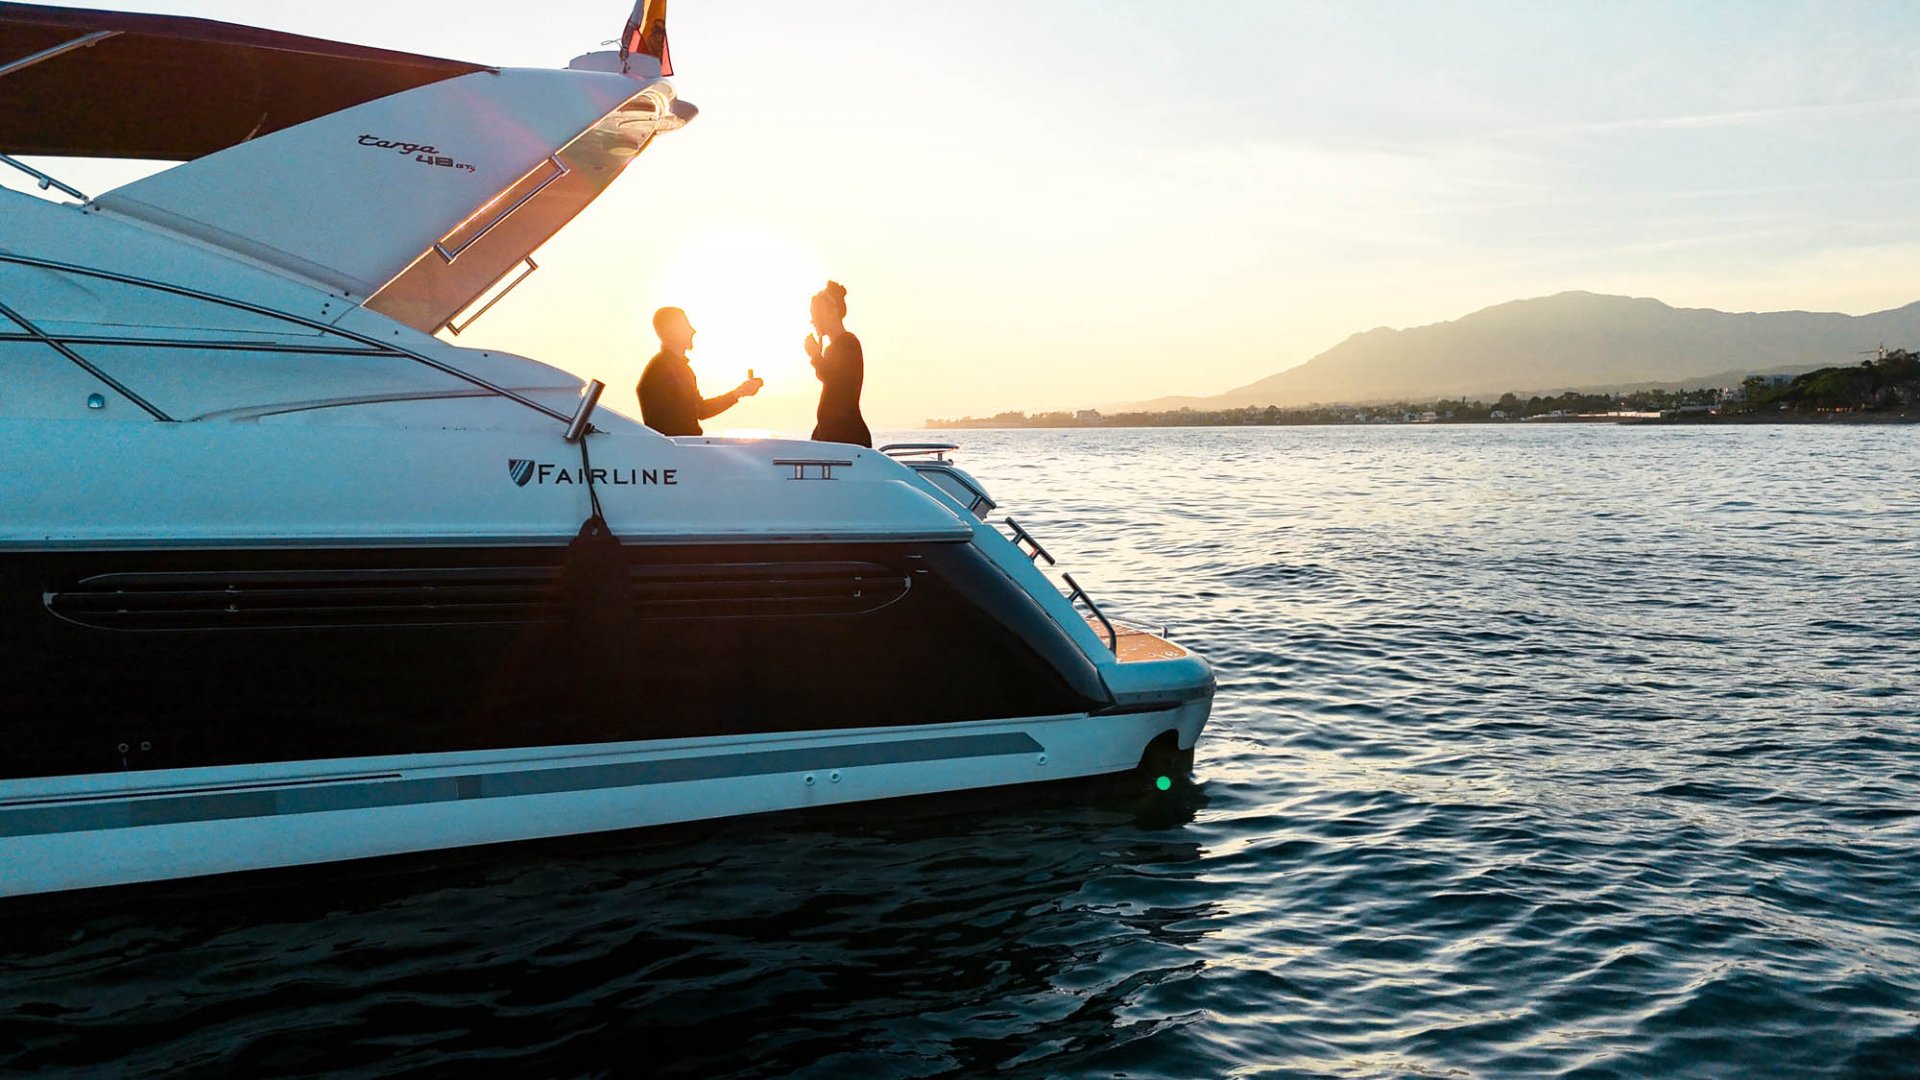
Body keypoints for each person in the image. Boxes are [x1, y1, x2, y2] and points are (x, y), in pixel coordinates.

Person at [638, 306, 761, 436]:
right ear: (671, 331)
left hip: (684, 449)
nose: (693, 331)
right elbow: (679, 422)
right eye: (685, 326)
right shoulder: (660, 371)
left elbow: (700, 410)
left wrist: (739, 392)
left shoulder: (681, 369)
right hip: (677, 452)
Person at [804, 280, 872, 447]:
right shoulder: (832, 348)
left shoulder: (848, 342)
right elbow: (828, 382)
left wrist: (815, 356)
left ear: (833, 312)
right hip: (831, 436)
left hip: (847, 436)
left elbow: (836, 381)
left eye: (816, 314)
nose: (813, 321)